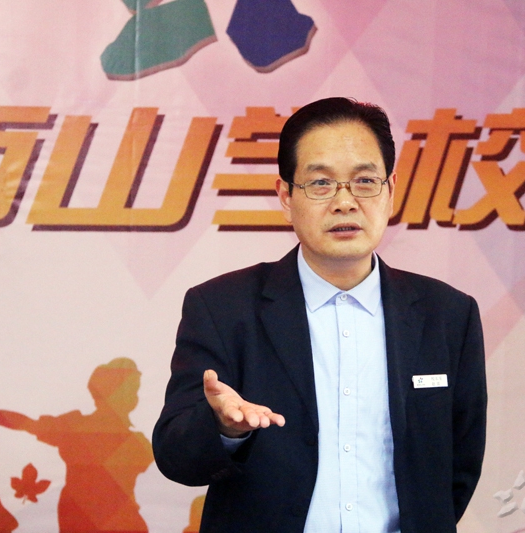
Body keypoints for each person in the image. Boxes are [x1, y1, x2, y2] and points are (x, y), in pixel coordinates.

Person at [152, 97, 487, 532]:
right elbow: (175, 456)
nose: (345, 202)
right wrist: (222, 428)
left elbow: (458, 469)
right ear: (285, 196)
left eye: (365, 181)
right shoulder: (222, 308)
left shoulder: (448, 315)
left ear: (390, 190)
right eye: (321, 183)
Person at [0, 358, 153, 533]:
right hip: (84, 521)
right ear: (110, 391)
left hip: (120, 522)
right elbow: (20, 422)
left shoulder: (136, 442)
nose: (134, 396)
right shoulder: (77, 428)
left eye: (135, 390)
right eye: (130, 389)